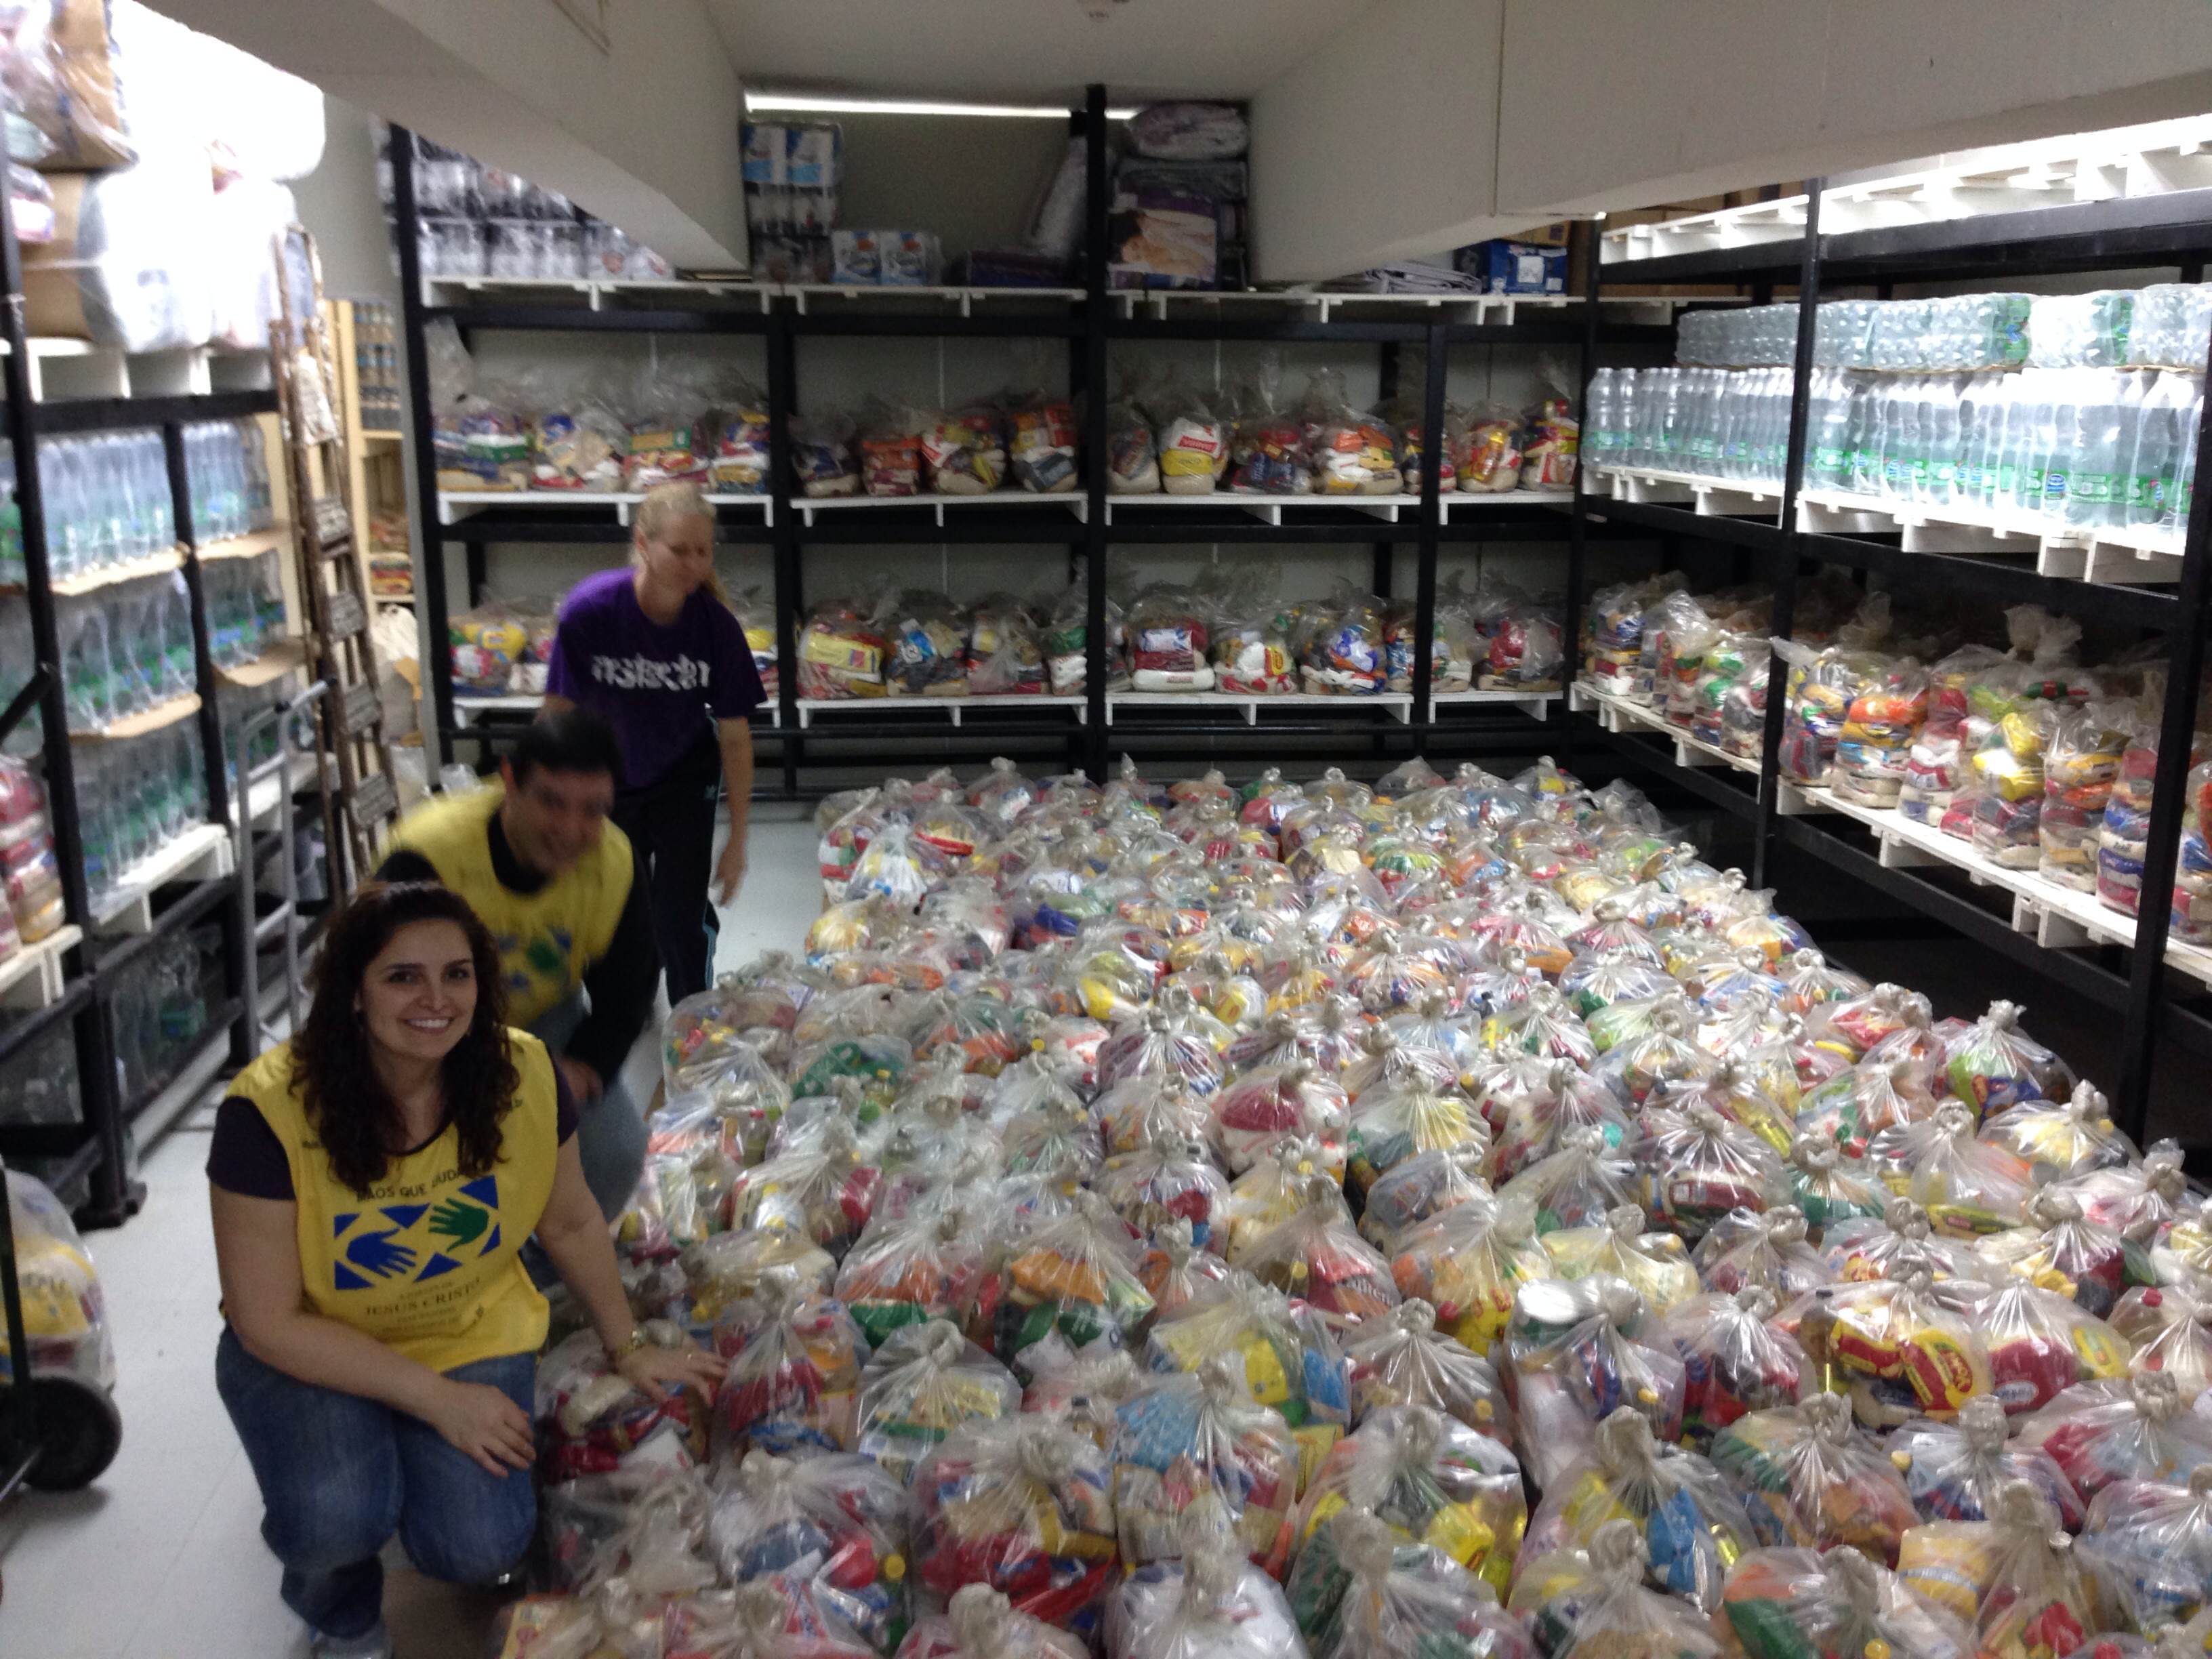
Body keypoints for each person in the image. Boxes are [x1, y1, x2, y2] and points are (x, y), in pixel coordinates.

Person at [207, 883, 722, 1659]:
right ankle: (339, 1613)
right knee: (334, 1517)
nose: (435, 999)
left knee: (480, 1547)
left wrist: (630, 1345)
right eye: (402, 977)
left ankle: (386, 1462)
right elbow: (265, 1320)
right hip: (314, 1348)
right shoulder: (269, 1111)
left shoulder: (522, 1074)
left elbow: (572, 1219)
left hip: (465, 1326)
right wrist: (439, 1402)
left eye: (457, 974)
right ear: (353, 992)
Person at [377, 709, 653, 1221]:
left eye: (593, 810)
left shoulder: (614, 866)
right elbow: (380, 992)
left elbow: (628, 994)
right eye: (551, 801)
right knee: (428, 1170)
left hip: (542, 1020)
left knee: (614, 1154)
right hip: (419, 1036)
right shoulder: (430, 856)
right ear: (509, 782)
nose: (571, 830)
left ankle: (537, 1281)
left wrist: (583, 1068)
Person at [544, 478, 763, 1005]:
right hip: (606, 780)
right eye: (679, 549)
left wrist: (737, 841)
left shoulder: (715, 627)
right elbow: (555, 716)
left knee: (678, 916)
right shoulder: (591, 611)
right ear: (643, 544)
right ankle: (625, 1007)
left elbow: (735, 739)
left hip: (683, 776)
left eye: (703, 552)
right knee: (615, 907)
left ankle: (693, 1017)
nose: (693, 563)